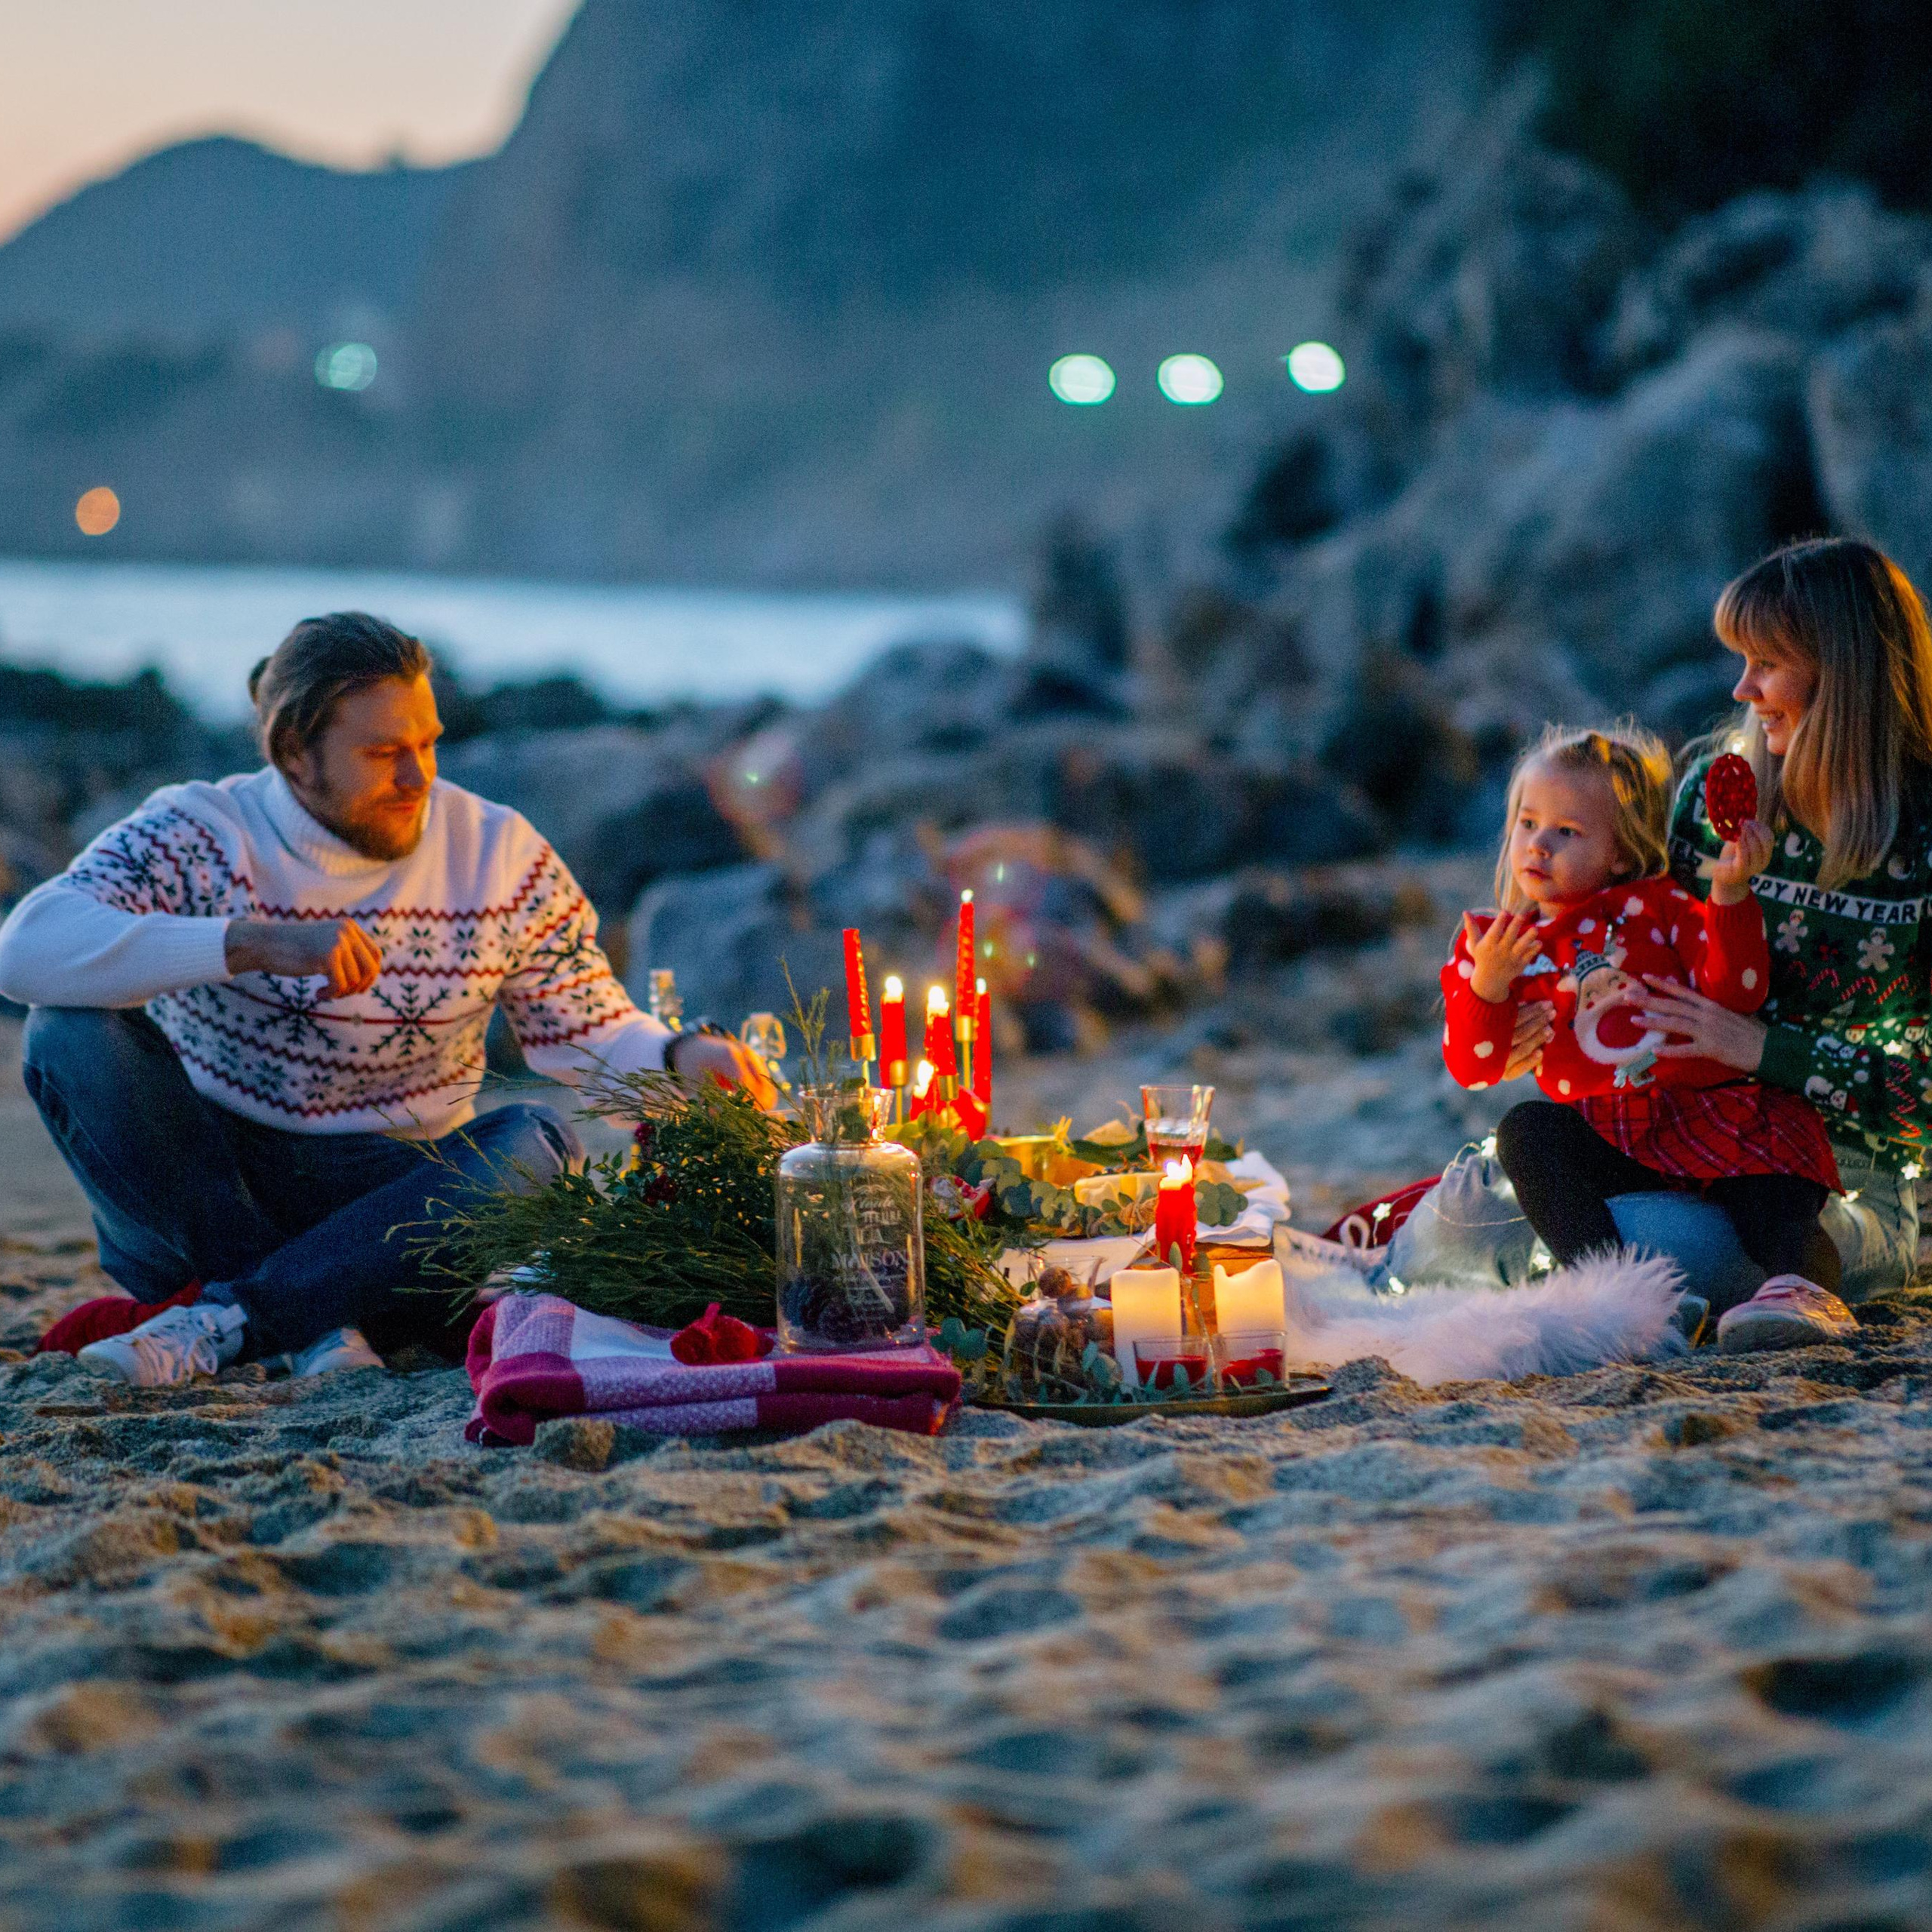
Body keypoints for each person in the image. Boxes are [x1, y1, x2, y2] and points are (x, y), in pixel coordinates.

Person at [0, 612, 773, 1387]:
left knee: (536, 1141)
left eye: (427, 744)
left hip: (394, 1206)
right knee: (67, 1028)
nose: (418, 777)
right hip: (206, 1196)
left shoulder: (499, 855)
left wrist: (681, 1054)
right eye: (382, 753)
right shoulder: (205, 831)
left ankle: (233, 1317)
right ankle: (301, 1309)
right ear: (295, 754)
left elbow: (588, 1026)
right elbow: (24, 948)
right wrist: (245, 941)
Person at [1442, 724, 1844, 1350]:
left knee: (1774, 1182)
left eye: (1566, 832)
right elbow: (1475, 1066)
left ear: (1622, 854)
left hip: (1707, 1113)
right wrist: (1488, 986)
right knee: (1526, 1132)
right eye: (1527, 823)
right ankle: (1622, 1295)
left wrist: (1730, 893)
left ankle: (1802, 1289)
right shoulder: (1498, 944)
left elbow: (1736, 992)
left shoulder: (1657, 905)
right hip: (1610, 1134)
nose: (1538, 845)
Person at [1621, 537, 1932, 1329]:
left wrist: (1766, 1051)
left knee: (1656, 1243)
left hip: (1849, 1180)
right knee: (1513, 1177)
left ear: (1843, 673)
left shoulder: (1923, 832)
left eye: (1766, 663)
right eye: (1741, 660)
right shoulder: (1711, 792)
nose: (1741, 688)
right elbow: (1658, 977)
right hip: (1697, 1144)